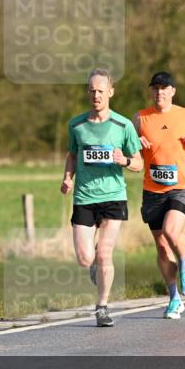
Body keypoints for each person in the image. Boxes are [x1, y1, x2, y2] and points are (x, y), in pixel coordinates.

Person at [61, 69, 143, 326]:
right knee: (86, 258)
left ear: (111, 92)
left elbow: (139, 163)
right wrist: (67, 177)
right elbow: (73, 155)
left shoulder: (123, 125)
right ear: (88, 92)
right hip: (84, 197)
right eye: (92, 90)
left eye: (101, 90)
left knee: (105, 254)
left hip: (113, 197)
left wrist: (125, 160)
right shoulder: (76, 125)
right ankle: (94, 260)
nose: (96, 95)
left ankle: (102, 308)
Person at [133, 71, 185, 319]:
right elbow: (128, 146)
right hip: (152, 189)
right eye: (155, 88)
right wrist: (135, 144)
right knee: (162, 247)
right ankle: (174, 298)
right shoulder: (141, 118)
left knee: (171, 231)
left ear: (173, 91)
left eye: (164, 88)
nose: (159, 92)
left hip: (180, 185)